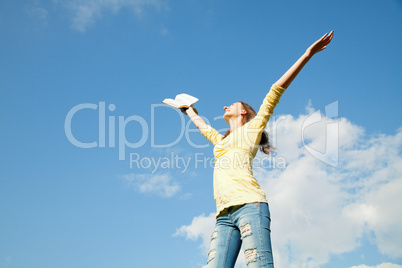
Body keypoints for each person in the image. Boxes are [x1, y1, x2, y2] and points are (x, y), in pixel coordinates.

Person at [181, 31, 334, 268]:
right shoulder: (220, 142)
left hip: (250, 206)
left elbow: (275, 90)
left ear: (243, 112)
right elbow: (203, 126)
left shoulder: (252, 129)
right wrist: (187, 109)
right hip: (223, 217)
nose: (225, 106)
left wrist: (307, 55)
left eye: (231, 104)